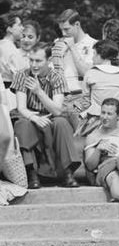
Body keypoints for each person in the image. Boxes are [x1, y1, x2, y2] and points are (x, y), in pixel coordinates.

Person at [12, 42, 81, 188]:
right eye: (31, 60)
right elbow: (21, 107)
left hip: (52, 114)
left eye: (38, 61)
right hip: (29, 114)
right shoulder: (22, 75)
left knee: (61, 123)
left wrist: (39, 92)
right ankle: (31, 173)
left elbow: (57, 110)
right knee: (23, 124)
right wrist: (34, 117)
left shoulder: (56, 76)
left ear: (48, 61)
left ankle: (67, 172)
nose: (34, 65)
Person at [77, 39, 119, 137]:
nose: (92, 58)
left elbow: (85, 103)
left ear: (101, 55)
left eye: (94, 54)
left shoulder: (90, 74)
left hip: (97, 125)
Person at [52, 9, 96, 128]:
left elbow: (87, 73)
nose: (63, 33)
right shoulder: (58, 43)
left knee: (81, 138)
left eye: (66, 29)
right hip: (61, 99)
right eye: (61, 30)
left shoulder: (93, 44)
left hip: (82, 100)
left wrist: (72, 47)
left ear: (77, 24)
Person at [0, 14, 24, 108]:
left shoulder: (4, 45)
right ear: (9, 28)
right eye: (19, 25)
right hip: (11, 95)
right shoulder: (8, 48)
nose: (22, 28)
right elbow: (19, 75)